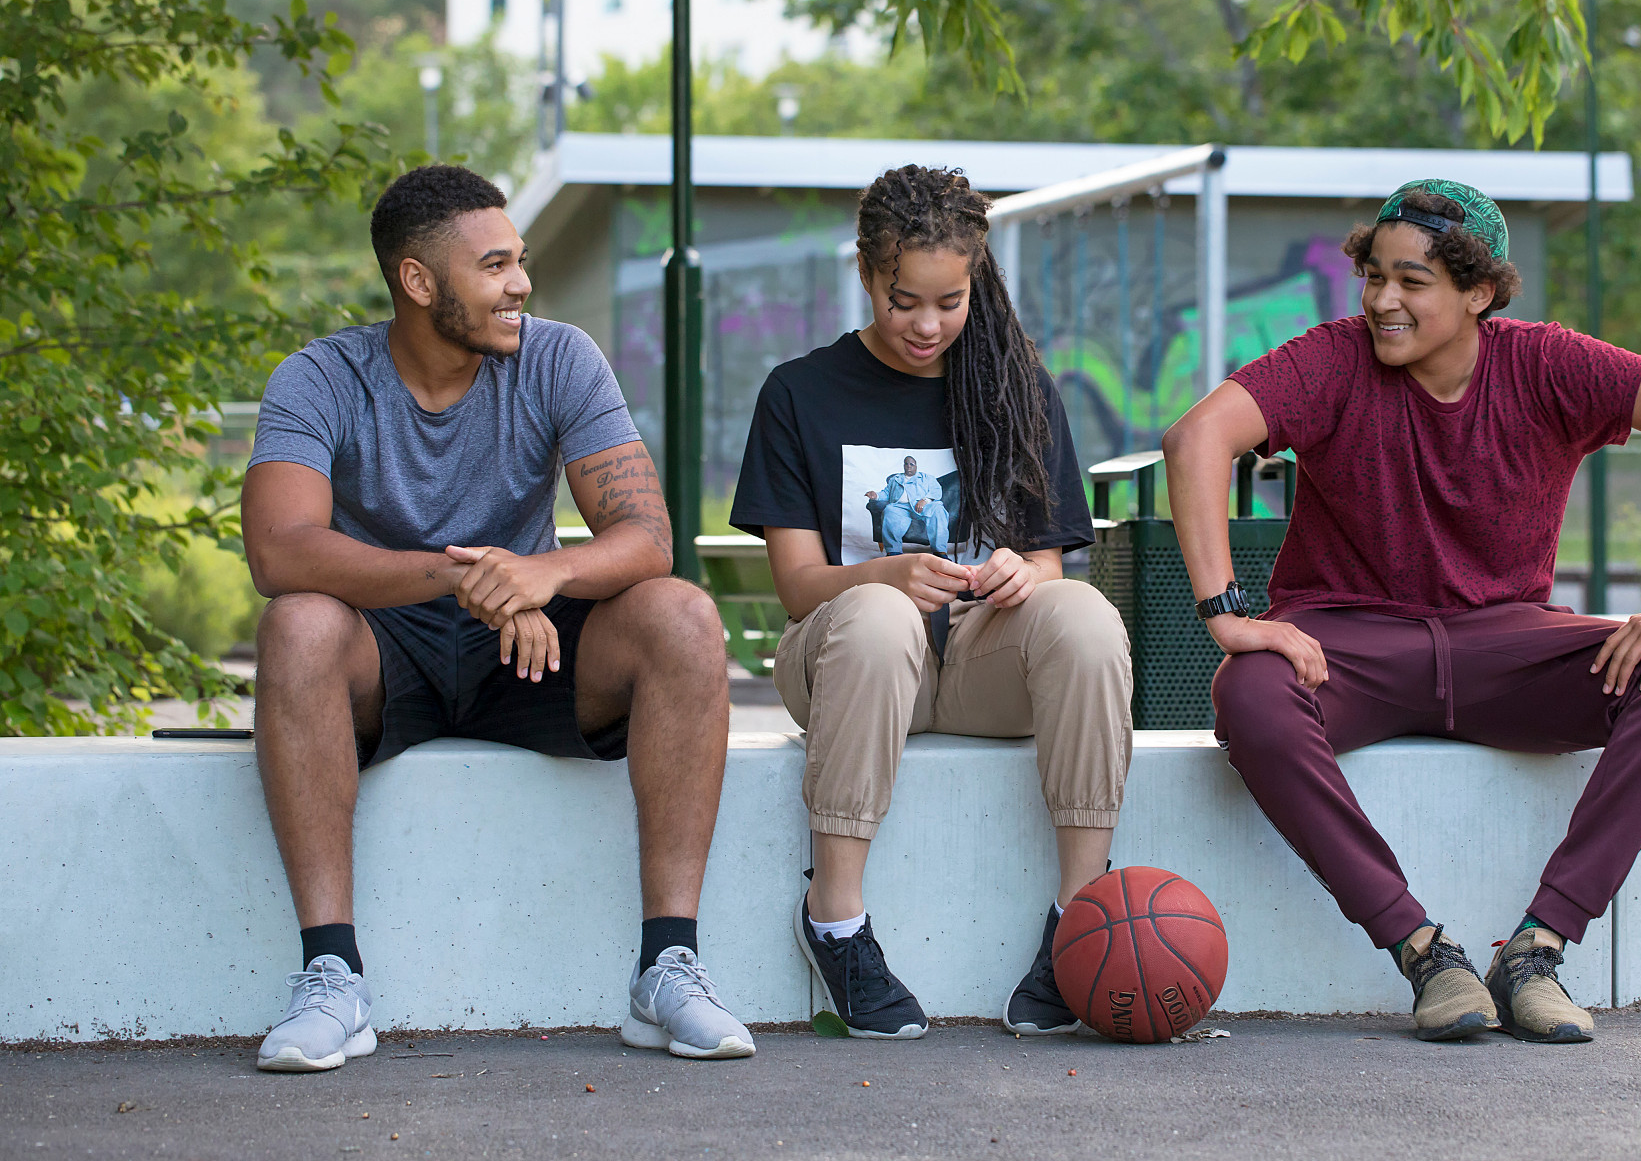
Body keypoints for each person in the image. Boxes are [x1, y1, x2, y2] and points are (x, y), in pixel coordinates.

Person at [1162, 180, 1641, 1044]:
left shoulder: (1547, 363)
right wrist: (1228, 615)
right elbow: (1196, 437)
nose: (1384, 301)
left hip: (1506, 646)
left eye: (1413, 281)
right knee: (1249, 693)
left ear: (1479, 292)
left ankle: (1537, 950)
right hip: (1350, 643)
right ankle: (1423, 951)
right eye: (1373, 277)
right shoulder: (1331, 358)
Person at [241, 164, 754, 1071]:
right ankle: (332, 978)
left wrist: (540, 576)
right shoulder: (319, 377)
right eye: (494, 266)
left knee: (680, 615)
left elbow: (648, 540)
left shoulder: (559, 358)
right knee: (298, 625)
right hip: (383, 646)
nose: (520, 284)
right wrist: (460, 576)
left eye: (519, 262)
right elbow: (280, 551)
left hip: (529, 649)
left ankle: (667, 965)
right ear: (418, 281)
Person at [731, 164, 1133, 1040]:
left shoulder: (1015, 385)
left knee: (1090, 618)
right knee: (877, 617)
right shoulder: (800, 392)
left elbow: (1048, 567)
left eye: (949, 302)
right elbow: (798, 587)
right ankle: (835, 921)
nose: (926, 325)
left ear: (976, 279)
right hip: (854, 667)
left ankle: (1079, 917)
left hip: (980, 663)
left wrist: (1028, 575)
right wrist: (882, 577)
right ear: (868, 275)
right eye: (903, 299)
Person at [869, 455, 952, 555]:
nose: (909, 466)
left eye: (911, 464)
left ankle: (940, 551)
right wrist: (876, 495)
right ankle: (893, 551)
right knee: (889, 510)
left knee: (938, 509)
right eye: (906, 464)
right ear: (903, 466)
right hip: (900, 508)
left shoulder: (926, 478)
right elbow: (886, 493)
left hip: (923, 506)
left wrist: (925, 500)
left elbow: (936, 491)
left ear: (916, 466)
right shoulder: (895, 479)